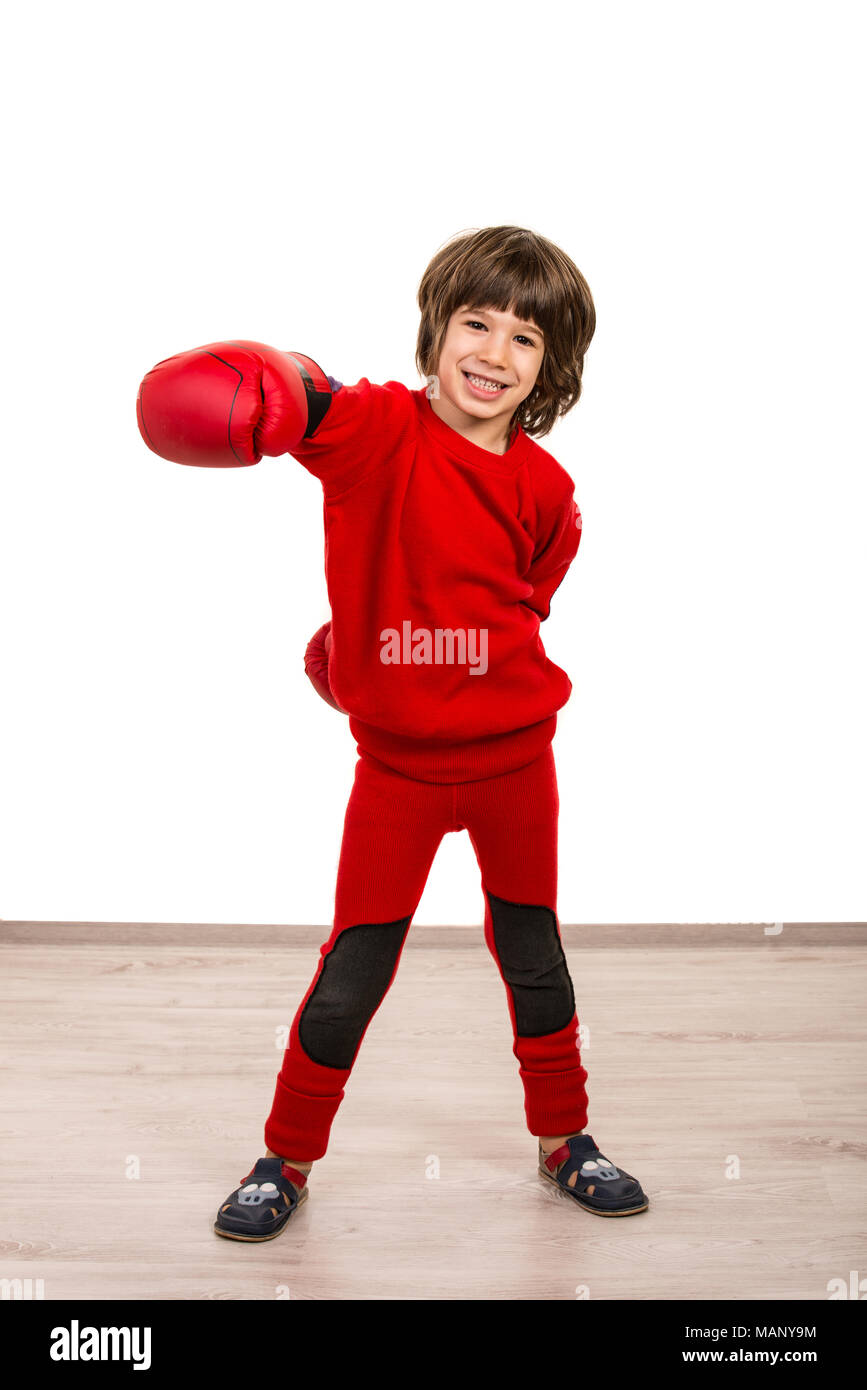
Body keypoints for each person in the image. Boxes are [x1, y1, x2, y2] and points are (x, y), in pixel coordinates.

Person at [136, 224, 649, 1242]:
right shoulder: (378, 431)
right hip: (399, 774)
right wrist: (274, 378)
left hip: (516, 764)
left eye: (527, 339)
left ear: (554, 367)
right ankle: (283, 1157)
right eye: (477, 322)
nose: (495, 354)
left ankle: (566, 1141)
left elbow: (523, 603)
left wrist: (397, 647)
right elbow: (305, 398)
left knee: (534, 954)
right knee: (354, 969)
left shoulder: (549, 490)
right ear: (437, 327)